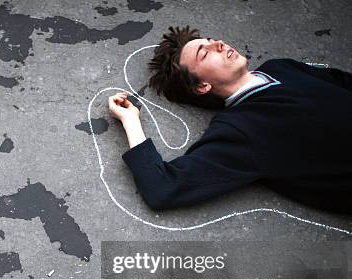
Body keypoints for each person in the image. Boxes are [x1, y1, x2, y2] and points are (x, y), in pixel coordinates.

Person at [109, 26, 352, 213]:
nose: (218, 43)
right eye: (204, 53)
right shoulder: (242, 129)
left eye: (211, 40)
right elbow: (163, 188)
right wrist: (131, 121)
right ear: (203, 85)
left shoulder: (282, 68)